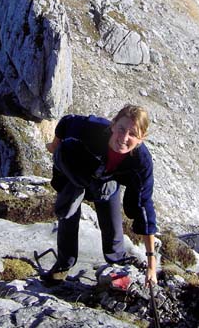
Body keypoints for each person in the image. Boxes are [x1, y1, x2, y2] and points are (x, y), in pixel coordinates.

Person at [43, 104, 157, 286]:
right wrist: (54, 145)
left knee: (111, 213)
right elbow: (66, 122)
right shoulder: (92, 129)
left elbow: (144, 206)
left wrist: (151, 265)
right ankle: (64, 264)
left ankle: (117, 260)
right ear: (112, 126)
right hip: (75, 169)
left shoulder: (140, 163)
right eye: (121, 129)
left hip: (106, 178)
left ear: (141, 139)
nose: (124, 138)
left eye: (133, 134)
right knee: (68, 210)